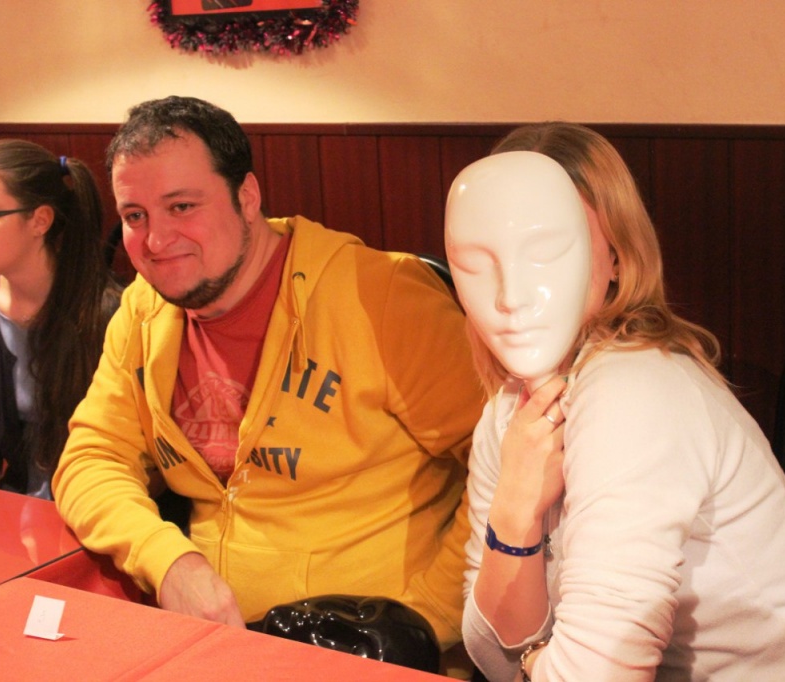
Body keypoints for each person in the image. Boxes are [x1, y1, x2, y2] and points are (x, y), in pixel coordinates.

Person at [448, 122, 785, 681]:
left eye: (546, 250)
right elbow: (493, 655)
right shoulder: (509, 411)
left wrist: (537, 658)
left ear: (617, 255)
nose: (510, 295)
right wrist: (515, 508)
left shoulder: (636, 390)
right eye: (478, 261)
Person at [51, 96, 484, 658]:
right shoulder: (143, 310)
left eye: (182, 206)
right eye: (136, 216)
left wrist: (428, 617)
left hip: (377, 653)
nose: (155, 241)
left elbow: (507, 469)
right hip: (214, 648)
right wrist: (170, 561)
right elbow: (91, 458)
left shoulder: (382, 298)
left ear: (247, 197)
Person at [0, 139, 121, 499]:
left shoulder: (111, 315)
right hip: (19, 503)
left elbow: (135, 458)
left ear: (40, 220)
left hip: (102, 503)